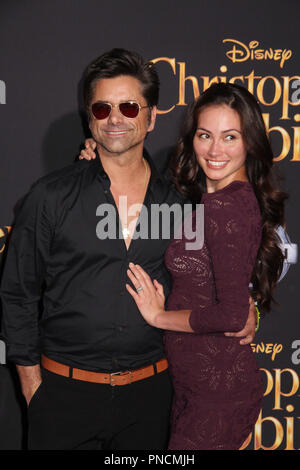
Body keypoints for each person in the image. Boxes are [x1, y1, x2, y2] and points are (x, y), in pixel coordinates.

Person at [1, 50, 256, 451]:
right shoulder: (50, 198)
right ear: (90, 119)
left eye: (129, 106)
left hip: (152, 401)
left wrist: (249, 309)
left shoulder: (182, 203)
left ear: (151, 117)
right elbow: (17, 294)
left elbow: (217, 272)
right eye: (102, 108)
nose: (115, 118)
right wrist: (34, 390)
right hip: (64, 399)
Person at [124, 83, 287, 450]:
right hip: (196, 387)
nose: (215, 150)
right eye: (205, 135)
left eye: (230, 137)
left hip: (217, 394)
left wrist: (158, 316)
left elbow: (231, 316)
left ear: (250, 143)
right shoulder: (213, 198)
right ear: (191, 137)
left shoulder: (223, 206)